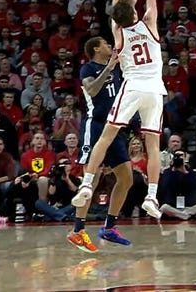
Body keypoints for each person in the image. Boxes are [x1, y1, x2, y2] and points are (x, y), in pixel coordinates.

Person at [72, 0, 165, 219]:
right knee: (153, 145)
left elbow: (116, 12)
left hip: (133, 87)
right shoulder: (149, 23)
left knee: (106, 136)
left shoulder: (118, 33)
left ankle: (87, 183)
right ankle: (152, 196)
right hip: (155, 90)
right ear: (135, 11)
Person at [68, 36, 135, 252]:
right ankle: (77, 231)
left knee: (126, 178)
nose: (110, 46)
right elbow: (93, 90)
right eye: (106, 44)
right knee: (91, 178)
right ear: (96, 48)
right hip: (95, 126)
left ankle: (109, 227)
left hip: (114, 126)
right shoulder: (87, 69)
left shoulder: (116, 67)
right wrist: (109, 68)